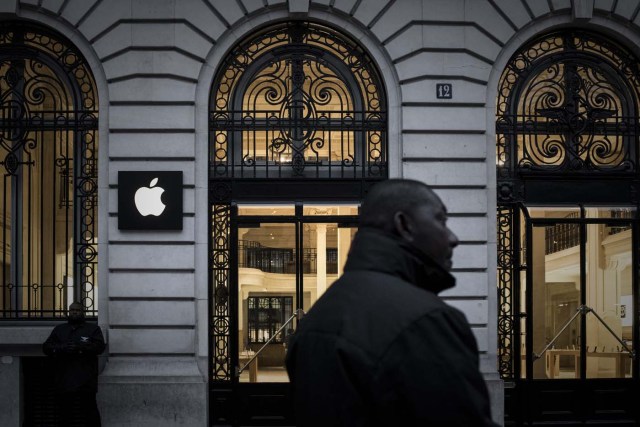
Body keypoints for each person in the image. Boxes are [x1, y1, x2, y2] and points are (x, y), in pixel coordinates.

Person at [285, 179, 498, 426]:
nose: (453, 238)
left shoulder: (316, 318)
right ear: (404, 225)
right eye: (441, 220)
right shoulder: (427, 320)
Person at [43, 301, 105, 426]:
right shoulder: (59, 329)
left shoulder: (93, 329)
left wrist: (80, 347)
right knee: (64, 414)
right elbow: (46, 347)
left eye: (77, 310)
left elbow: (99, 347)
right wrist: (62, 348)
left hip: (86, 379)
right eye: (72, 310)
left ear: (83, 313)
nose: (74, 312)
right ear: (68, 312)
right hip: (64, 379)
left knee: (89, 412)